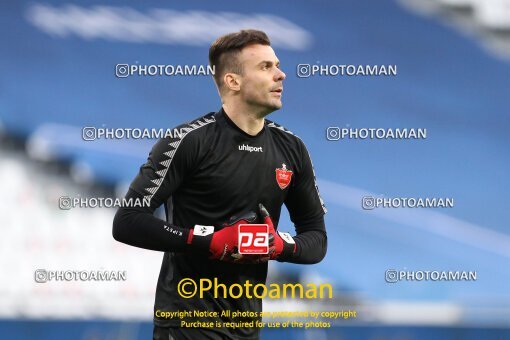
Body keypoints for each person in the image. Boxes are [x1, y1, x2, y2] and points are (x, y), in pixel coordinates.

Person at [113, 29, 327, 340]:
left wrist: (279, 245)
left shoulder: (293, 149)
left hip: (246, 329)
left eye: (277, 65)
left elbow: (317, 239)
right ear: (232, 81)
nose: (281, 75)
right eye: (266, 67)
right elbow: (127, 221)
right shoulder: (188, 141)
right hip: (186, 325)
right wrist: (210, 242)